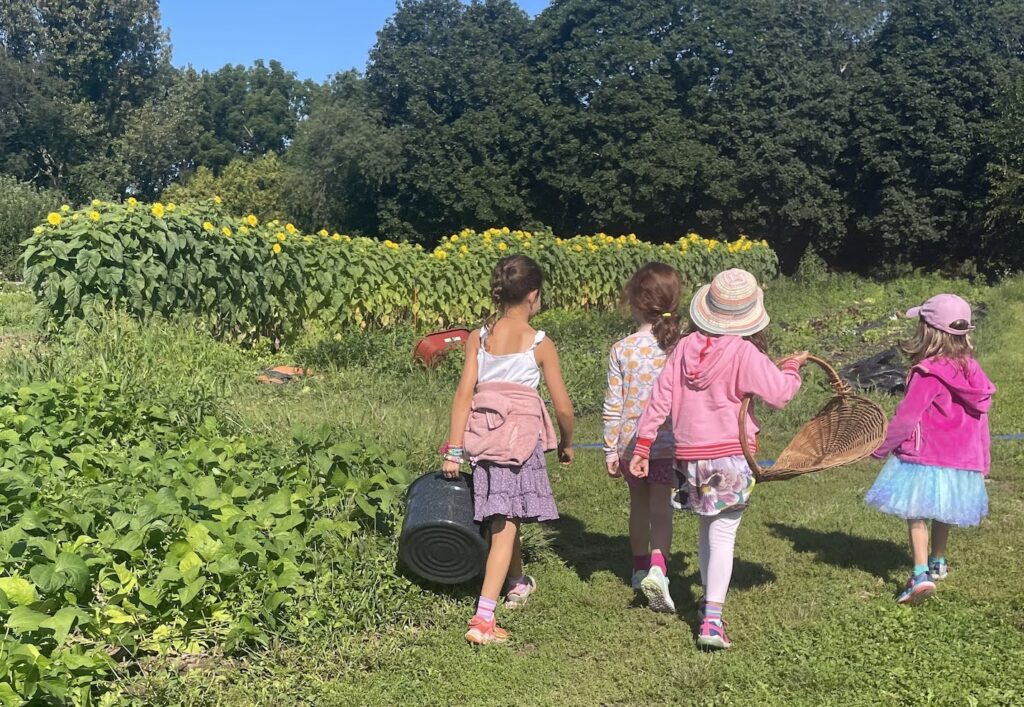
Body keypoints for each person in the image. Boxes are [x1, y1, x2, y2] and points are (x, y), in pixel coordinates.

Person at [631, 268, 808, 650]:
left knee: (708, 528)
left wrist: (644, 445)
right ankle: (713, 620)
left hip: (690, 458)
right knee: (723, 532)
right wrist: (792, 368)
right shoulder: (744, 352)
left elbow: (660, 398)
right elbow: (780, 394)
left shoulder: (683, 347)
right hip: (730, 456)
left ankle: (708, 604)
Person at [440, 254, 574, 645]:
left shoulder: (478, 338)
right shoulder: (540, 343)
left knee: (504, 510)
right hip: (518, 444)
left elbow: (464, 394)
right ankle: (483, 619)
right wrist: (567, 442)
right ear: (533, 295)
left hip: (483, 438)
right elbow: (563, 405)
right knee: (505, 525)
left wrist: (454, 449)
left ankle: (517, 581)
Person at [866, 294, 995, 605]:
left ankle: (920, 573)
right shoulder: (973, 372)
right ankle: (938, 560)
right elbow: (981, 422)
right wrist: (984, 458)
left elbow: (906, 417)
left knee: (917, 511)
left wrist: (881, 448)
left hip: (925, 456)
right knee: (944, 507)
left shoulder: (926, 373)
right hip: (962, 458)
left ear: (927, 331)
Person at [602, 263, 684, 612]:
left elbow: (613, 404)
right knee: (661, 508)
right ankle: (658, 568)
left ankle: (638, 569)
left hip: (631, 445)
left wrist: (609, 448)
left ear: (634, 302)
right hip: (667, 444)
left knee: (638, 505)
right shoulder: (681, 346)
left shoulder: (622, 349)